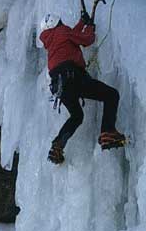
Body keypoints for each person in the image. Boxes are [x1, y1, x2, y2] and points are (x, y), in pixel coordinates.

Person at [39, 11, 125, 164]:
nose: (62, 25)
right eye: (60, 23)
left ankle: (58, 144)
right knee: (111, 95)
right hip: (73, 78)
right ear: (57, 24)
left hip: (60, 86)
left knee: (77, 116)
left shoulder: (52, 40)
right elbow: (86, 40)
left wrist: (81, 22)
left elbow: (72, 36)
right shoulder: (62, 31)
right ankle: (107, 132)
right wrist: (90, 27)